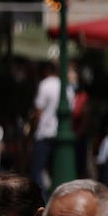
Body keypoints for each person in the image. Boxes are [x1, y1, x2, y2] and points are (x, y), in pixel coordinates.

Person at [29, 62, 66, 190]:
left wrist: (32, 132)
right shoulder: (66, 87)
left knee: (37, 170)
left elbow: (38, 112)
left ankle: (42, 199)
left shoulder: (45, 85)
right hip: (58, 135)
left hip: (44, 133)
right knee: (53, 171)